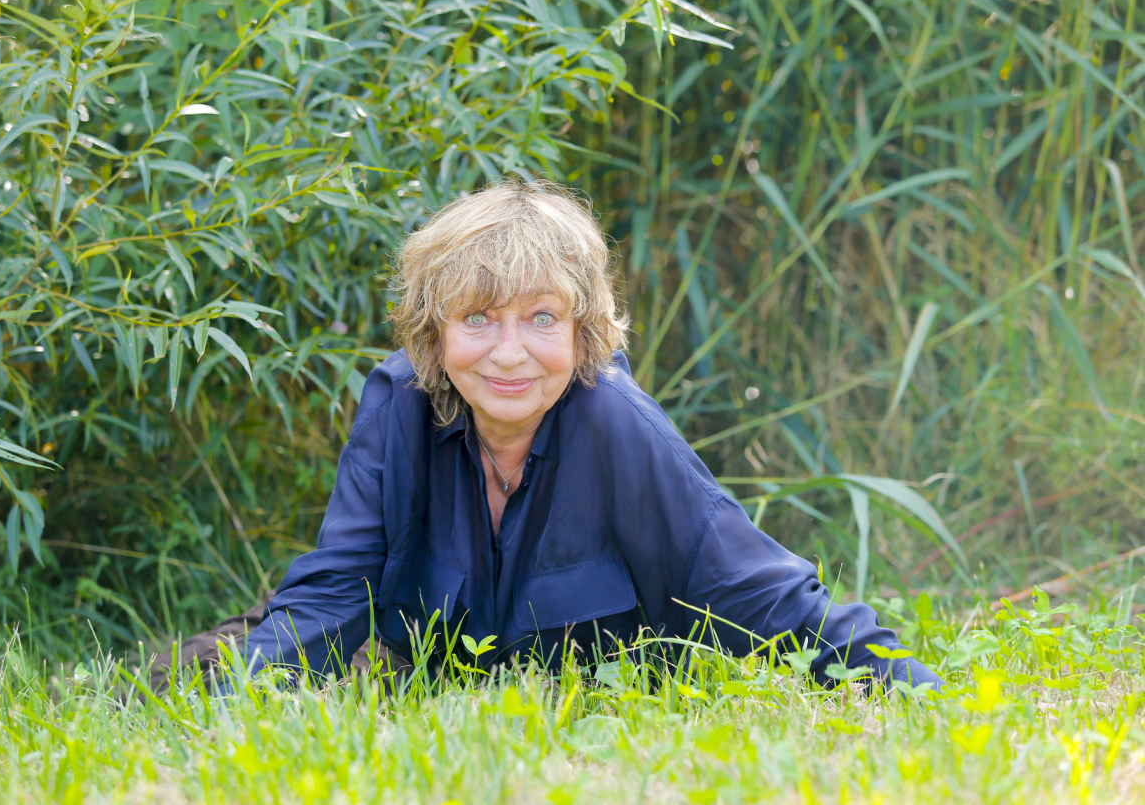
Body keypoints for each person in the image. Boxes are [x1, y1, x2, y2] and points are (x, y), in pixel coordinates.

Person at [159, 179, 942, 694]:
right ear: (434, 330)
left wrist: (913, 685)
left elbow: (756, 588)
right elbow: (335, 590)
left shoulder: (617, 422)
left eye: (540, 317)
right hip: (408, 662)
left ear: (582, 328)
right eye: (478, 318)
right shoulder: (398, 403)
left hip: (577, 690)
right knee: (193, 672)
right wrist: (240, 697)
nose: (509, 353)